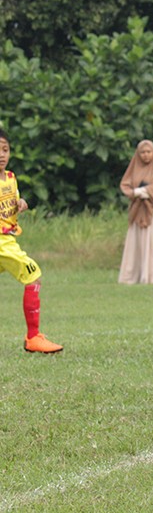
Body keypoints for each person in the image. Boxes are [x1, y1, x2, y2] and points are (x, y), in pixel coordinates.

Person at [0, 128, 63, 353]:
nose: (1, 154)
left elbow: (12, 202)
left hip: (9, 240)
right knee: (33, 275)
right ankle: (33, 337)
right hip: (1, 244)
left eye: (5, 149)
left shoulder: (10, 178)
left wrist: (21, 203)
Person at [118, 140, 153, 284]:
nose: (146, 155)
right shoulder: (134, 168)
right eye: (142, 152)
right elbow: (126, 184)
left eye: (148, 152)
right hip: (138, 211)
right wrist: (134, 192)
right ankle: (135, 274)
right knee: (137, 242)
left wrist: (142, 191)